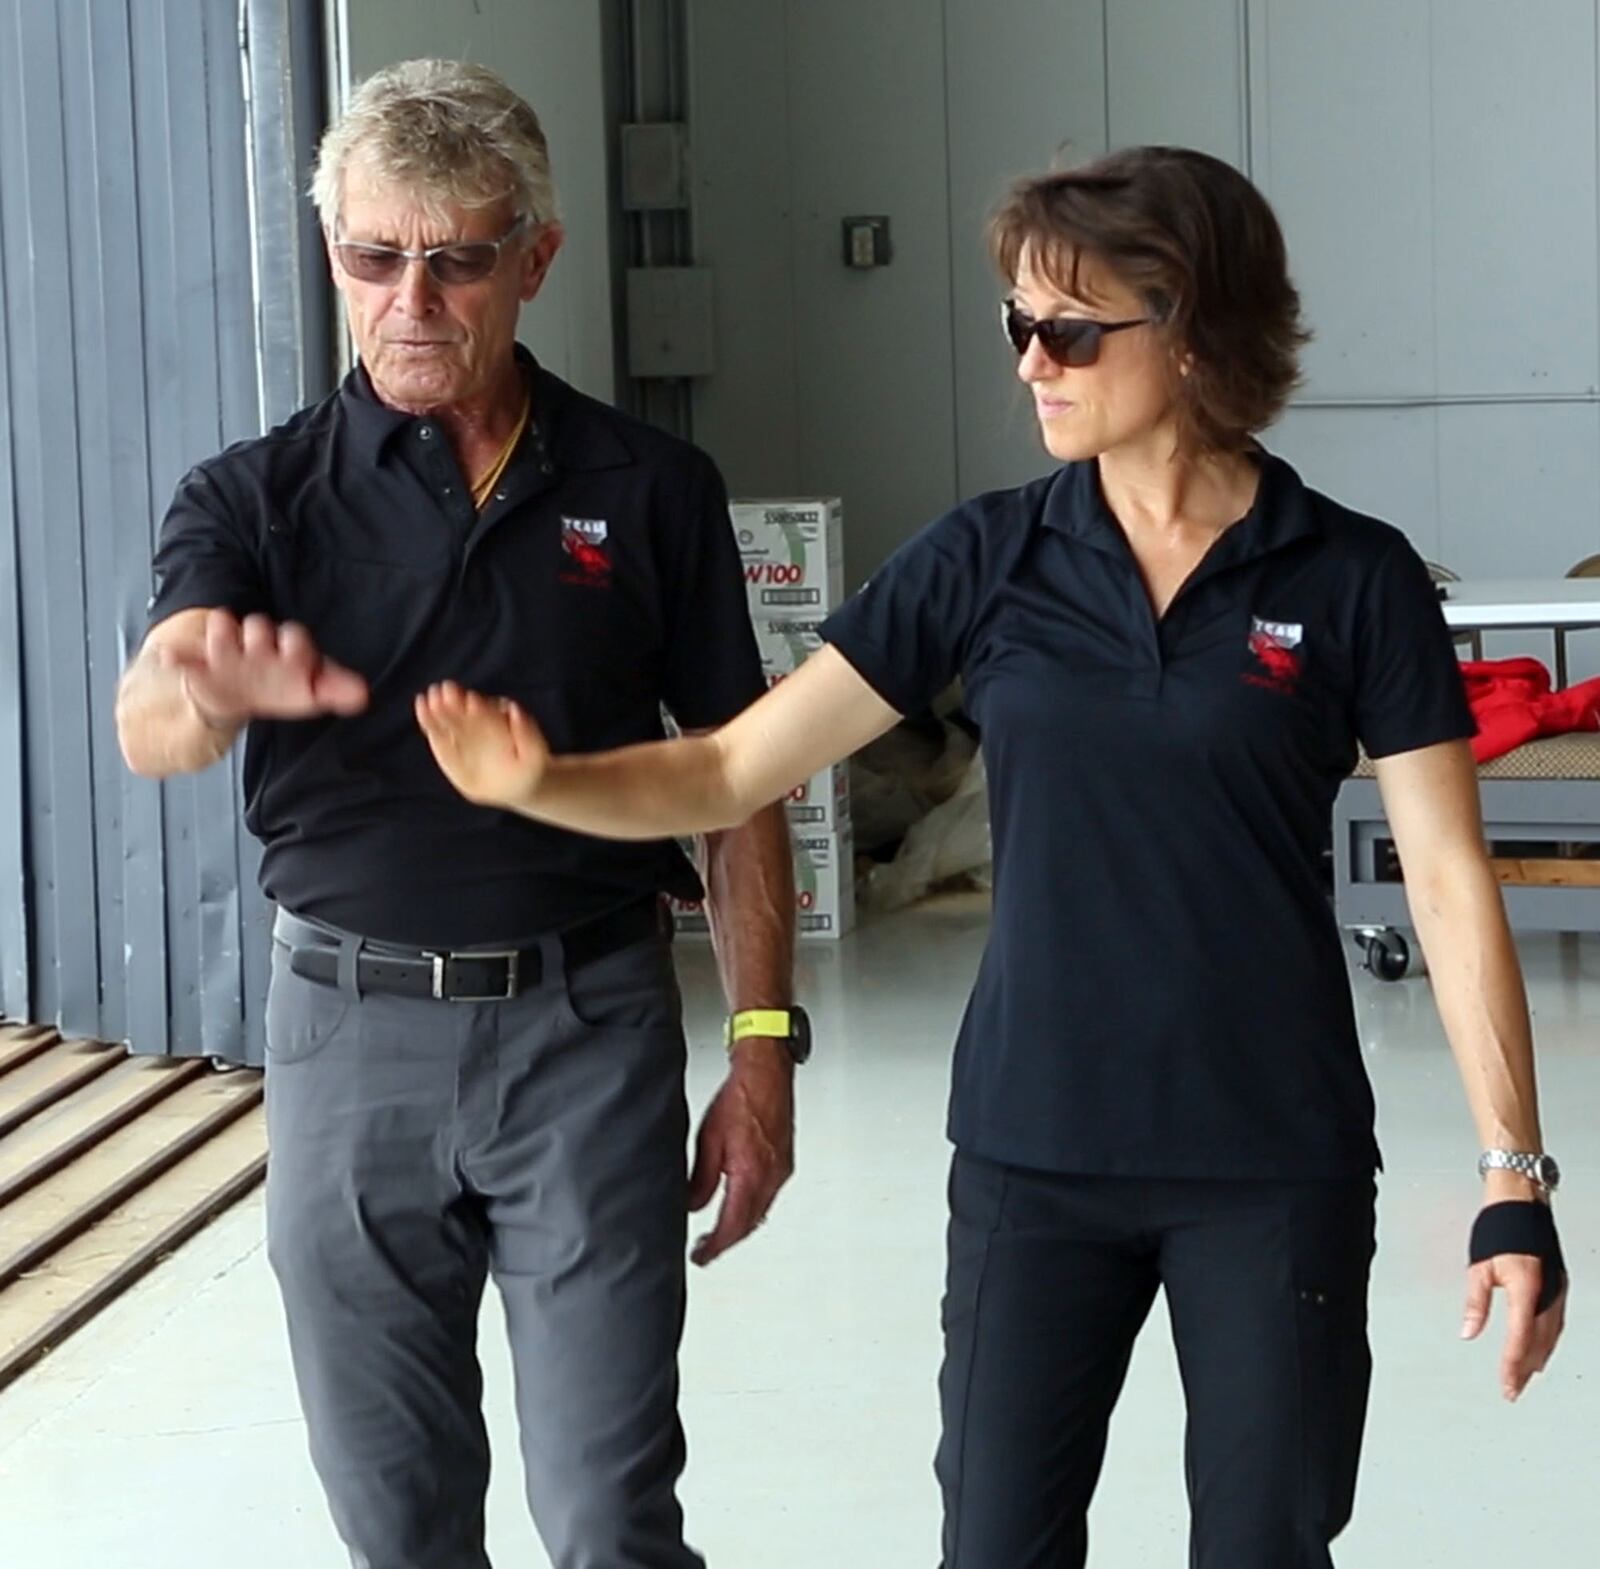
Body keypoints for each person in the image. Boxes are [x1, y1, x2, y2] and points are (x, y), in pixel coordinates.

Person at [412, 146, 1570, 1568]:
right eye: (1014, 323)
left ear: (1197, 332)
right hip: (1036, 1153)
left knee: (1267, 1545)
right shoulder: (986, 559)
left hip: (1273, 1160)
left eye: (1070, 330)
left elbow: (1448, 885)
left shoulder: (1351, 576)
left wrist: (1514, 1170)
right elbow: (730, 765)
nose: (1031, 362)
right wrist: (543, 780)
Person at [115, 58, 802, 1569]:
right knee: (401, 1524)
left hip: (590, 1030)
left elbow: (741, 775)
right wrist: (206, 685)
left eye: (456, 258)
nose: (410, 297)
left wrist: (762, 1048)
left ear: (536, 261)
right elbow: (153, 715)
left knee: (614, 1520)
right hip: (348, 1044)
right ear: (335, 254)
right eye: (374, 256)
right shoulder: (255, 499)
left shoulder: (653, 486)